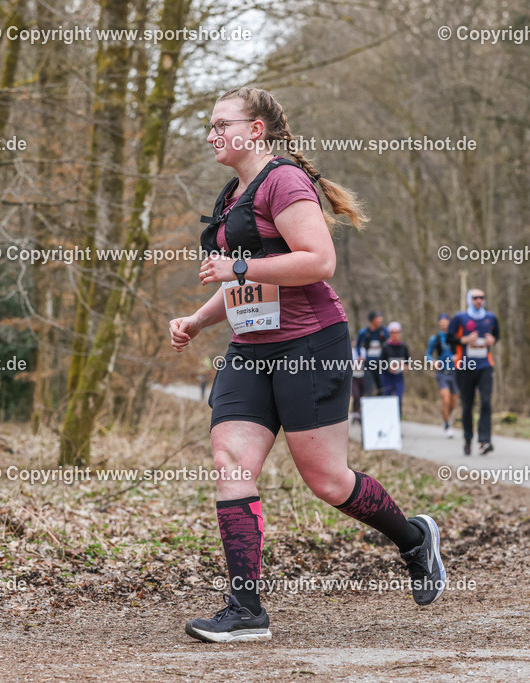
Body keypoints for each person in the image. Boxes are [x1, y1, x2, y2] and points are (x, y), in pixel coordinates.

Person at [169, 87, 446, 643]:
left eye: (222, 123)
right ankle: (245, 609)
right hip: (251, 350)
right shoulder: (232, 195)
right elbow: (248, 282)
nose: (211, 133)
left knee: (326, 480)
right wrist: (199, 321)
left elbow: (319, 261)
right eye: (209, 124)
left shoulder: (283, 181)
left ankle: (413, 537)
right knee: (230, 459)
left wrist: (238, 264)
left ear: (256, 130)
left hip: (309, 345)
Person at [447, 289, 500, 456]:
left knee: (485, 402)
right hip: (464, 367)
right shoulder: (459, 318)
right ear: (469, 299)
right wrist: (464, 340)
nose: (479, 300)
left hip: (485, 366)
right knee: (468, 405)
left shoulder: (490, 317)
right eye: (475, 297)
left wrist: (493, 340)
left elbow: (496, 336)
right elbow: (449, 339)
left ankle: (485, 441)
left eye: (482, 298)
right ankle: (468, 439)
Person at [426, 314, 458, 438]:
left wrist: (459, 358)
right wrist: (433, 362)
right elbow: (428, 354)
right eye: (442, 322)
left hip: (455, 373)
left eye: (446, 322)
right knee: (445, 399)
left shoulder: (455, 337)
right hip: (442, 373)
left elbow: (462, 351)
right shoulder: (435, 338)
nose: (444, 324)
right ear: (439, 323)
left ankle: (447, 418)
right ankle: (447, 425)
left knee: (453, 403)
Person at [378, 321, 410, 415]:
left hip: (398, 376)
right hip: (387, 376)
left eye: (396, 332)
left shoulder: (404, 347)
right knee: (387, 398)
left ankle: (398, 419)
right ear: (389, 333)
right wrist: (388, 367)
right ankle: (386, 418)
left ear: (399, 333)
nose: (394, 334)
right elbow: (379, 362)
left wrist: (406, 366)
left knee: (399, 397)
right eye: (392, 332)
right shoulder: (385, 346)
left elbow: (407, 361)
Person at [356, 311, 388, 395]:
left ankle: (381, 406)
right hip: (368, 364)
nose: (380, 323)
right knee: (368, 388)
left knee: (382, 388)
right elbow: (358, 345)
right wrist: (360, 355)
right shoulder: (364, 333)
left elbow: (389, 345)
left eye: (380, 321)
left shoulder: (384, 331)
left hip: (381, 364)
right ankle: (364, 406)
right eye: (378, 321)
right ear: (372, 321)